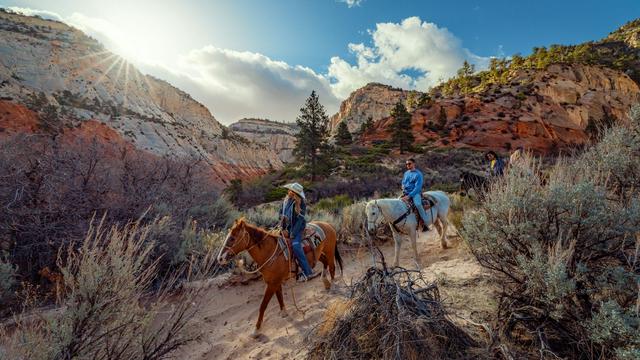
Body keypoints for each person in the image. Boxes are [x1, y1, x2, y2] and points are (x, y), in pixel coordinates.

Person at [280, 183, 320, 282]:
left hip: (297, 229)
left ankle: (308, 272)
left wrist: (292, 233)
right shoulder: (285, 201)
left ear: (297, 194)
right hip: (286, 227)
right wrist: (282, 226)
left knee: (296, 246)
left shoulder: (301, 203)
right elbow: (280, 214)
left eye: (293, 192)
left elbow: (300, 221)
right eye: (290, 190)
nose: (290, 193)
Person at [401, 158, 430, 232]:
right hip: (405, 192)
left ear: (414, 164)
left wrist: (409, 196)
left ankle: (425, 223)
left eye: (409, 163)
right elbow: (403, 182)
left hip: (415, 193)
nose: (408, 165)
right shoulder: (406, 173)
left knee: (417, 204)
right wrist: (403, 187)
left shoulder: (418, 174)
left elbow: (418, 187)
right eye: (406, 164)